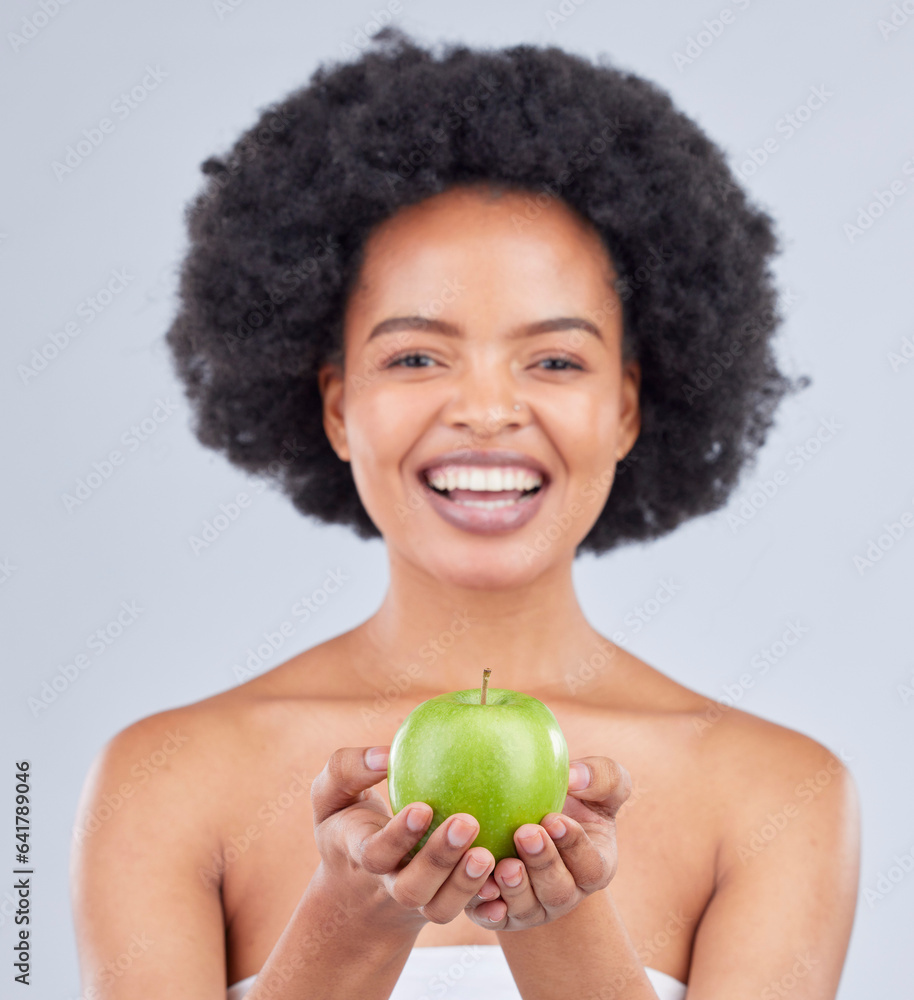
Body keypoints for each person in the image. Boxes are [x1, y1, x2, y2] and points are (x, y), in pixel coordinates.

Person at [70, 27, 860, 1000]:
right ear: (333, 406)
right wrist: (348, 923)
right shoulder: (161, 780)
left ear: (624, 407)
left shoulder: (778, 793)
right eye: (414, 356)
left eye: (556, 359)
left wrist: (559, 923)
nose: (486, 410)